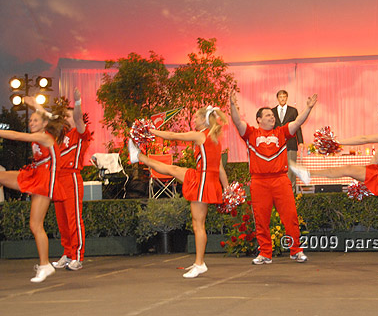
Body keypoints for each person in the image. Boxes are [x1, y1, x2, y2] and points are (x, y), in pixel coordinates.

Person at [291, 98, 378, 278]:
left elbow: (365, 139)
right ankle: (308, 173)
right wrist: (362, 181)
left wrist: (336, 142)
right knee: (348, 169)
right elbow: (374, 161)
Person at [128, 106, 229, 278]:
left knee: (198, 225)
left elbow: (174, 136)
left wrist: (151, 131)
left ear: (204, 120)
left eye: (196, 117)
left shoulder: (201, 135)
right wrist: (226, 188)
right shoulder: (215, 139)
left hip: (202, 181)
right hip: (204, 178)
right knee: (173, 169)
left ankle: (200, 263)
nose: (194, 120)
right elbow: (219, 168)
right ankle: (139, 157)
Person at [229, 91, 317, 265]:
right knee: (261, 219)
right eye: (268, 115)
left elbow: (298, 122)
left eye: (272, 115)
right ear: (259, 119)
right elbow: (237, 121)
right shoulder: (251, 133)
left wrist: (308, 107)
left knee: (290, 216)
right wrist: (232, 105)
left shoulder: (281, 132)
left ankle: (296, 250)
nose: (272, 117)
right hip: (259, 182)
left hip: (280, 180)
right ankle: (265, 253)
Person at [26, 88, 92, 271]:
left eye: (68, 117)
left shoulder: (79, 134)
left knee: (74, 219)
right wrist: (35, 105)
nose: (66, 120)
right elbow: (49, 118)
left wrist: (77, 103)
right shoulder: (57, 137)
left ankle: (77, 256)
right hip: (57, 180)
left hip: (71, 178)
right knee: (62, 221)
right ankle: (67, 252)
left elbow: (78, 119)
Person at [0, 109, 66, 282]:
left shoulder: (44, 137)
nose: (31, 123)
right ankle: (44, 265)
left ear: (44, 124)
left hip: (45, 180)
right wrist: (35, 105)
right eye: (30, 120)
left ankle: (45, 265)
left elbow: (16, 136)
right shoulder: (40, 134)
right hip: (35, 174)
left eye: (35, 120)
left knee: (36, 225)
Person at [271, 90, 303, 189]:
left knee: (291, 168)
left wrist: (300, 142)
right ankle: (279, 190)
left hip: (291, 143)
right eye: (280, 97)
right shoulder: (272, 111)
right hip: (276, 144)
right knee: (277, 168)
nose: (282, 98)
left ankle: (291, 190)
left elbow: (297, 126)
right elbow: (270, 126)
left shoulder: (293, 111)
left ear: (287, 98)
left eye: (284, 96)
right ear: (277, 98)